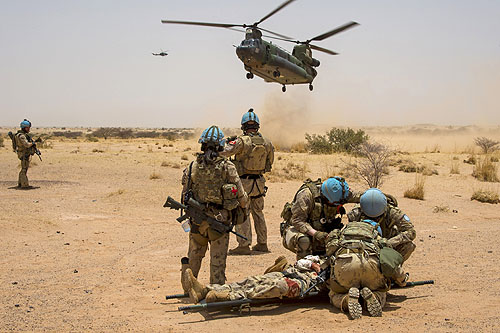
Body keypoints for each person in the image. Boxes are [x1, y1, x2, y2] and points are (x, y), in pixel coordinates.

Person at [180, 125, 249, 288]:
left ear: (202, 144)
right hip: (220, 222)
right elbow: (241, 196)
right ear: (220, 145)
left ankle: (188, 288)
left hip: (197, 221)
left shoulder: (192, 166)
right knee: (217, 262)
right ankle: (215, 292)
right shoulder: (228, 167)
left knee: (194, 256)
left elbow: (184, 195)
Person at [220, 109, 274, 255]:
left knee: (242, 212)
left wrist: (226, 143)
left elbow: (224, 152)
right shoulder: (267, 142)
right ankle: (262, 243)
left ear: (243, 126)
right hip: (259, 183)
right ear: (257, 126)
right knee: (258, 213)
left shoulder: (241, 141)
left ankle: (244, 244)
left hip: (243, 182)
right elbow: (270, 163)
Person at [183, 255, 327, 304]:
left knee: (273, 288)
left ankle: (229, 296)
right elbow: (301, 262)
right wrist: (313, 265)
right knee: (251, 281)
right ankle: (204, 290)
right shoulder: (324, 258)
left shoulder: (342, 272)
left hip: (304, 285)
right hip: (291, 273)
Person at [281, 177, 362, 260]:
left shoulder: (340, 193)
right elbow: (297, 221)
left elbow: (361, 197)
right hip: (297, 230)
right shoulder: (306, 195)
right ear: (326, 197)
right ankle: (304, 267)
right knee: (304, 241)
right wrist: (316, 234)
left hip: (322, 231)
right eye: (334, 204)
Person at [325, 219, 391, 319]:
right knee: (382, 292)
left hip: (346, 263)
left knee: (334, 295)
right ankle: (374, 297)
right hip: (370, 264)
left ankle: (346, 300)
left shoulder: (341, 234)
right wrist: (402, 279)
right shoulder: (377, 237)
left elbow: (329, 251)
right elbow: (390, 262)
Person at [347, 188, 416, 265]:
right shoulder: (356, 212)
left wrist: (389, 242)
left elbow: (411, 232)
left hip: (386, 242)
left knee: (408, 246)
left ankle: (392, 268)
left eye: (377, 217)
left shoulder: (393, 212)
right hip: (363, 243)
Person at [13, 119, 36, 188]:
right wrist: (33, 143)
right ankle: (24, 185)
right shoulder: (22, 136)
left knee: (23, 168)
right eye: (28, 128)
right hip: (23, 154)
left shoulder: (18, 135)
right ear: (25, 128)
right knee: (24, 169)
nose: (29, 129)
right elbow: (27, 145)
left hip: (22, 153)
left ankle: (20, 183)